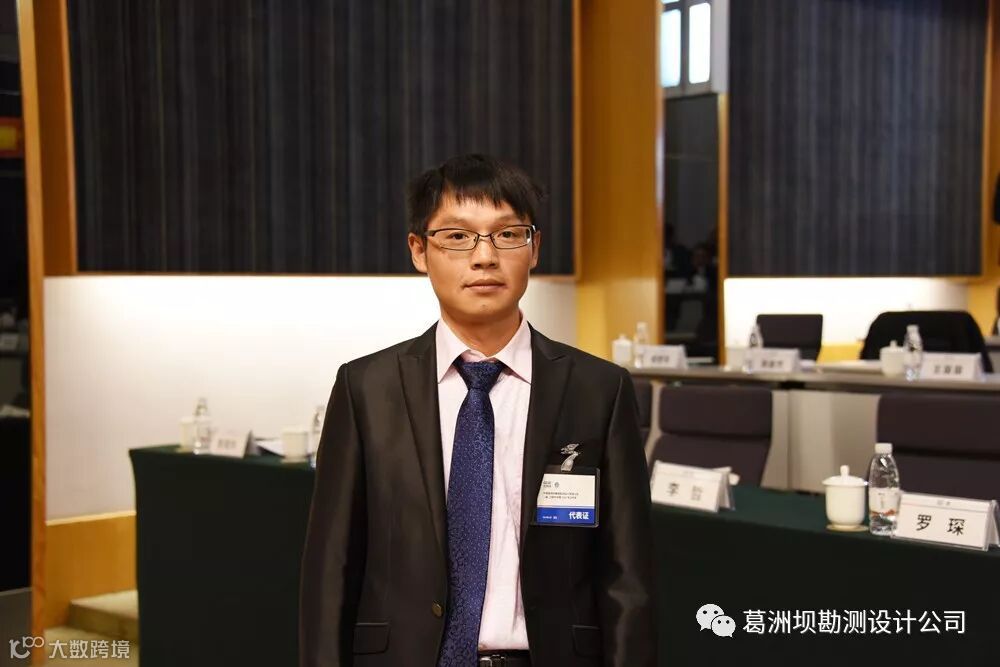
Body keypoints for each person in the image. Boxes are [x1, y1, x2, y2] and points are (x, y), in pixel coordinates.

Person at [299, 154, 656, 667]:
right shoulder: (366, 389)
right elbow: (331, 567)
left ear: (534, 248)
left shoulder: (599, 389)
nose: (484, 256)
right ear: (419, 250)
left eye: (507, 234)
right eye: (458, 236)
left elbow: (627, 576)